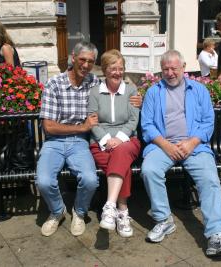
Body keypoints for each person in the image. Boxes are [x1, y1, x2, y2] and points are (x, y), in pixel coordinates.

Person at [37, 41, 142, 238]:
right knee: (43, 181)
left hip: (81, 142)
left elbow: (129, 106)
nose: (85, 65)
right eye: (82, 60)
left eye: (90, 61)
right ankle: (57, 212)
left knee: (91, 179)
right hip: (57, 142)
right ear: (73, 58)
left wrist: (137, 99)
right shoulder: (56, 84)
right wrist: (90, 131)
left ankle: (86, 211)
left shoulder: (95, 82)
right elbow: (48, 126)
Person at [140, 49, 221, 257]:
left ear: (184, 68)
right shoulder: (153, 92)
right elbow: (147, 125)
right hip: (162, 146)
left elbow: (207, 122)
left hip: (194, 146)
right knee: (149, 170)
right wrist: (166, 145)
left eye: (174, 68)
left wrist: (191, 142)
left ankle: (216, 235)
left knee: (209, 178)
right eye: (165, 69)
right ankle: (163, 220)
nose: (170, 73)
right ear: (161, 70)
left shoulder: (198, 90)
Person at [88, 49, 141, 238]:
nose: (117, 72)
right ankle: (123, 210)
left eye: (121, 68)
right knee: (122, 165)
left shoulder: (131, 91)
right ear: (104, 70)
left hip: (127, 140)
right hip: (101, 141)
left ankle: (109, 206)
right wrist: (105, 139)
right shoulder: (95, 92)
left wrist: (118, 138)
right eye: (113, 68)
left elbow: (133, 121)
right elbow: (92, 120)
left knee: (121, 153)